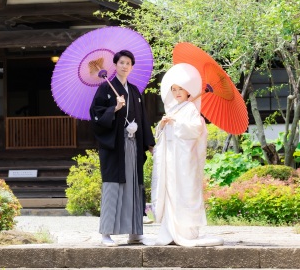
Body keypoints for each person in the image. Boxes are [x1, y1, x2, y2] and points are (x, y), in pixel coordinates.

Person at [143, 63, 223, 247]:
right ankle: (169, 230)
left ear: (188, 92)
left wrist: (177, 124)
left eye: (181, 89)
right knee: (170, 190)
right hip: (170, 156)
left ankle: (185, 230)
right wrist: (162, 125)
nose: (177, 92)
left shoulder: (192, 109)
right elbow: (161, 136)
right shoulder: (172, 109)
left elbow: (195, 130)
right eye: (174, 89)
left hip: (183, 159)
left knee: (183, 190)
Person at [90, 49, 155, 246]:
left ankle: (135, 232)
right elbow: (95, 114)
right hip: (115, 146)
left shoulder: (134, 91)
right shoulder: (105, 89)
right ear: (115, 65)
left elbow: (143, 118)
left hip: (133, 144)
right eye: (121, 63)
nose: (125, 66)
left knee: (135, 185)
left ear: (131, 67)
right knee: (113, 186)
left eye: (128, 63)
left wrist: (149, 144)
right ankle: (106, 234)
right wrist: (114, 109)